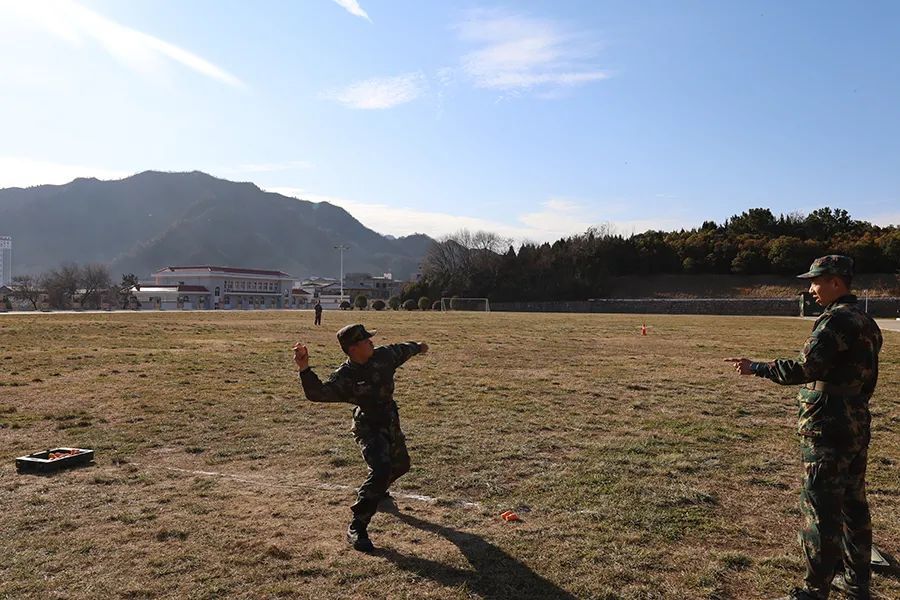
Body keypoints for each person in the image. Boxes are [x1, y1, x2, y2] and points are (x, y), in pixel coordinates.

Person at [725, 255, 882, 600]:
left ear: (836, 282)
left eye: (816, 281)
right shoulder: (867, 321)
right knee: (853, 504)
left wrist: (758, 368)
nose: (810, 289)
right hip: (855, 422)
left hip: (828, 427)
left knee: (821, 509)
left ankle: (814, 592)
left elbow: (804, 370)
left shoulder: (835, 322)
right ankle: (857, 583)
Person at [292, 323, 429, 552]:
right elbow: (316, 393)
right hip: (367, 425)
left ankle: (378, 490)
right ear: (353, 348)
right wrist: (304, 367)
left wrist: (418, 346)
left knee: (402, 466)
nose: (371, 342)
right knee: (381, 469)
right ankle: (358, 526)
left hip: (390, 420)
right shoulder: (345, 376)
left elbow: (402, 349)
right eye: (366, 341)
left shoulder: (383, 356)